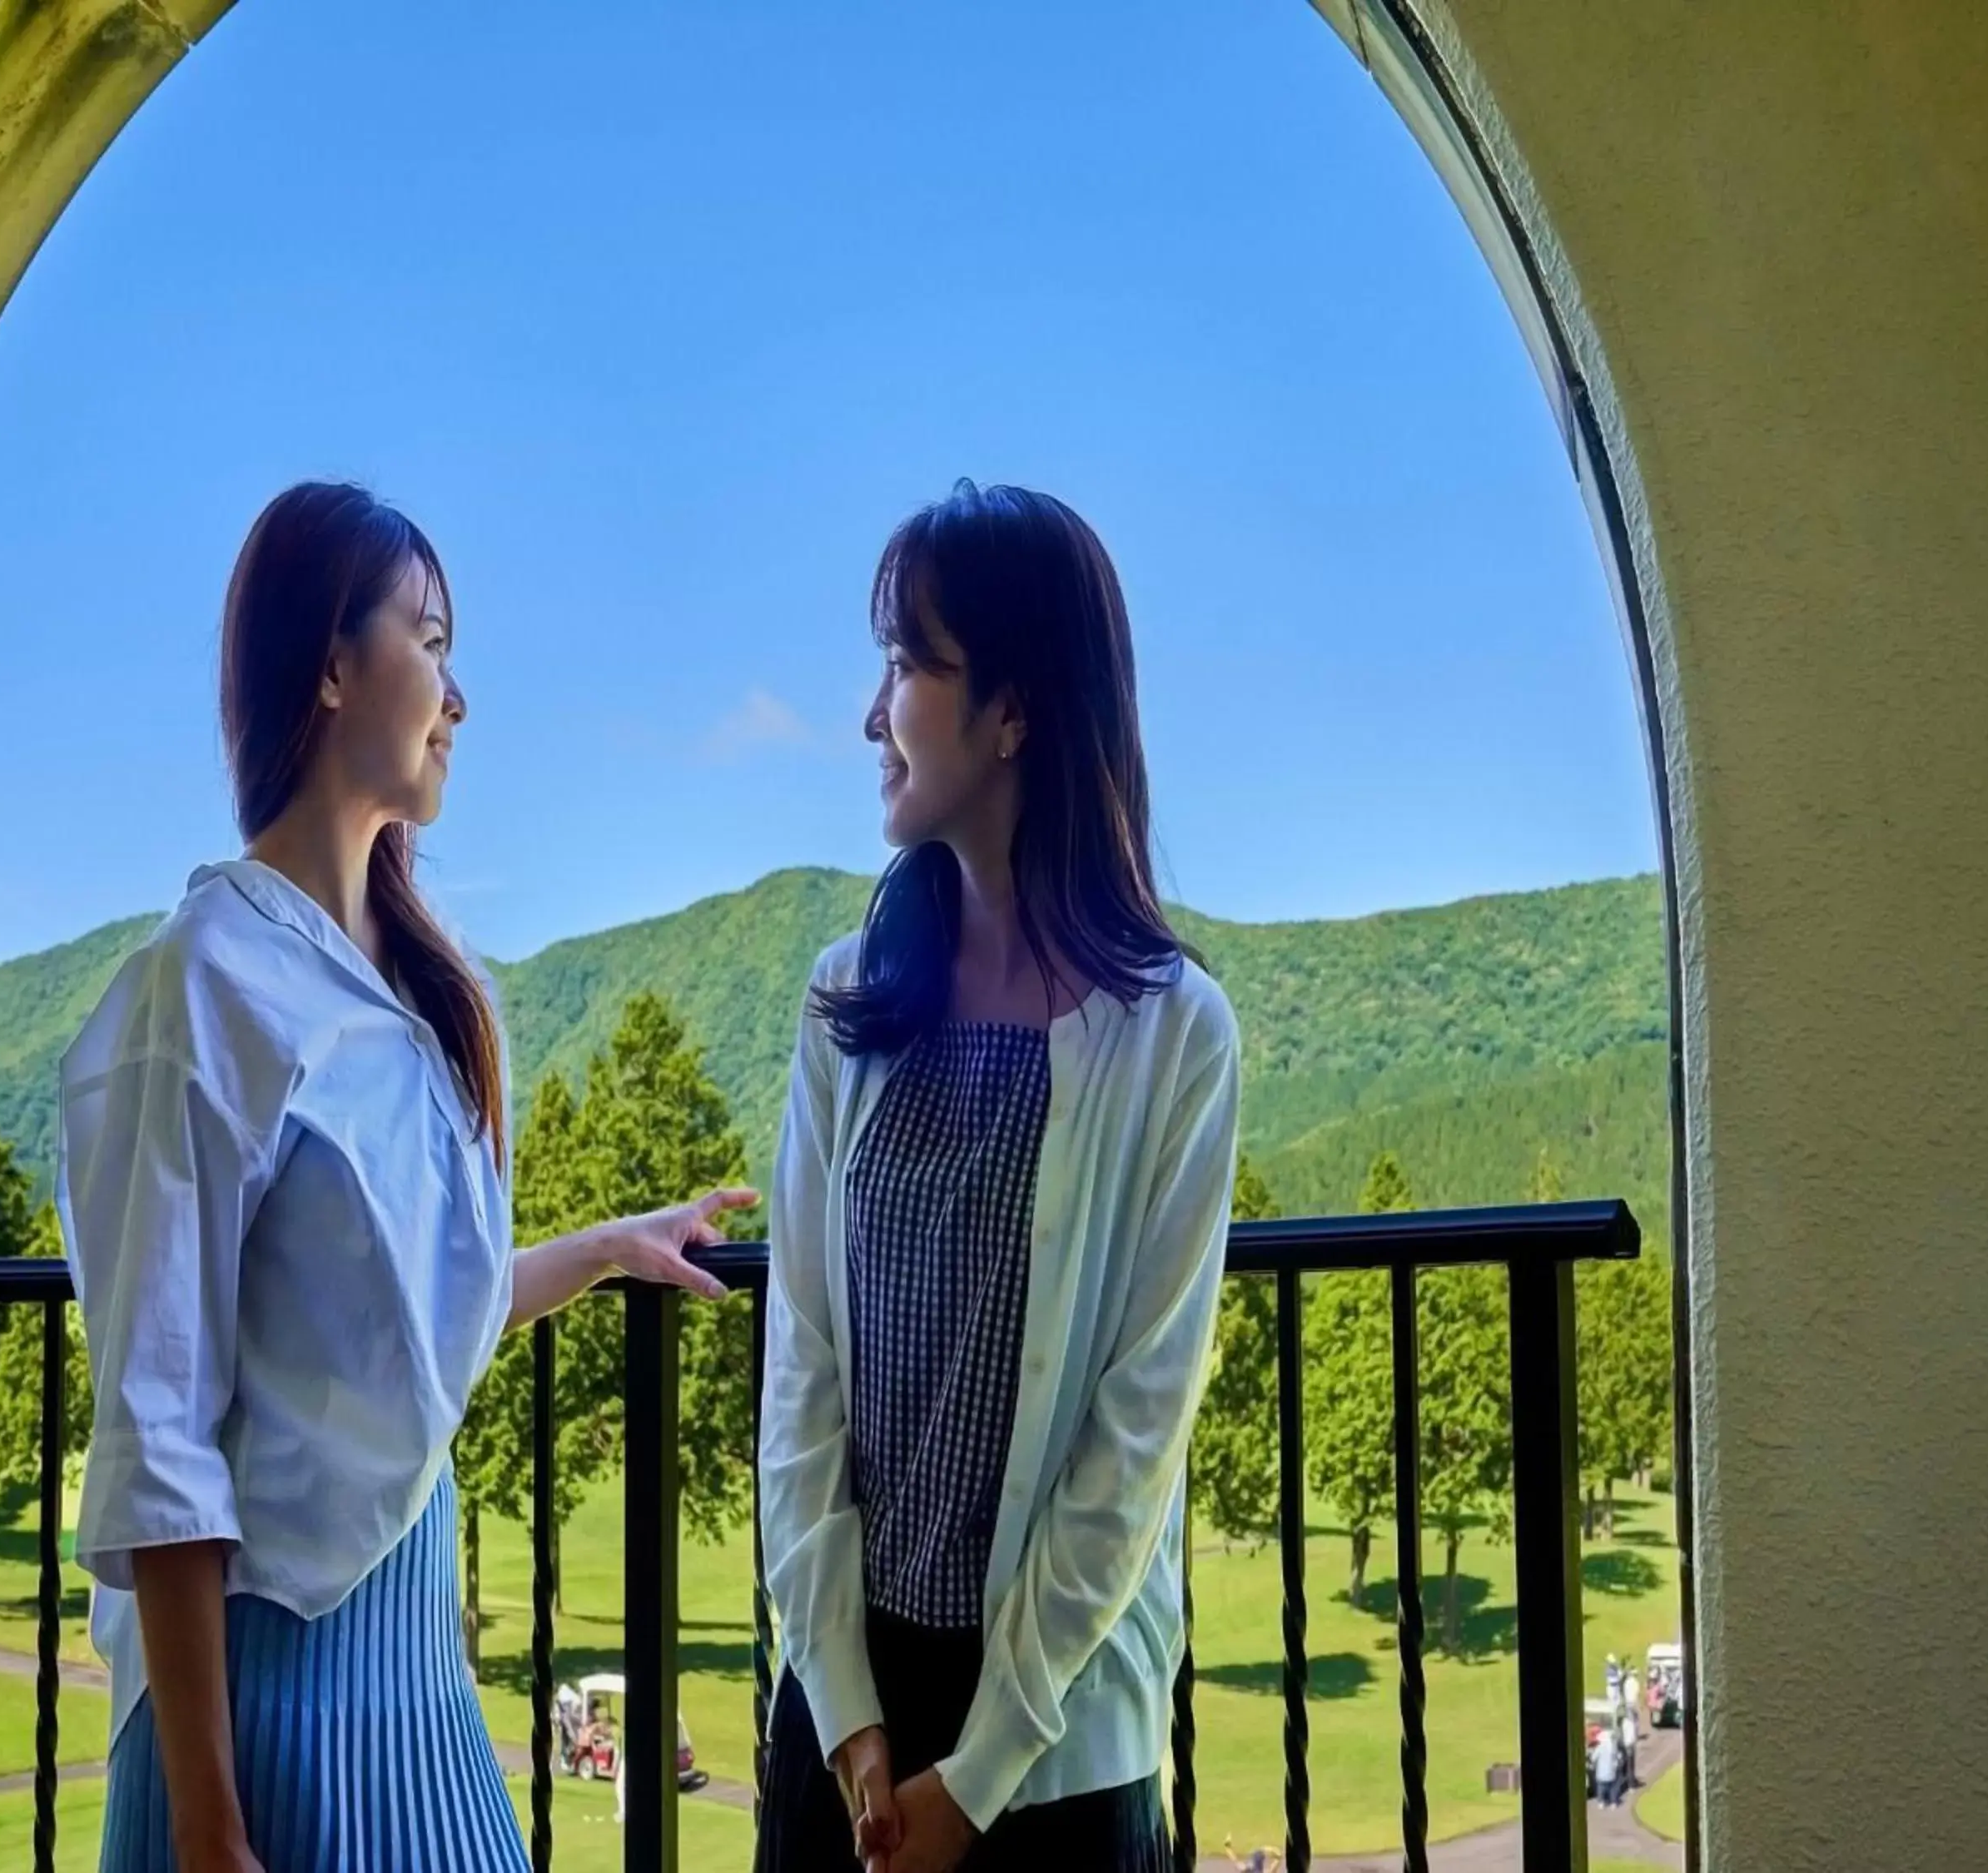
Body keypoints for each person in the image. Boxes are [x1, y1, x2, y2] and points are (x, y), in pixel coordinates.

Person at [65, 482, 748, 1873]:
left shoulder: (418, 991)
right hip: (264, 1716)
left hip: (419, 1691)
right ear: (329, 664)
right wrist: (210, 1827)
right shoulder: (199, 991)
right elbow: (160, 1435)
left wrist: (609, 1248)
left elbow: (390, 1329)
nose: (458, 695)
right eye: (430, 640)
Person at [755, 483, 1241, 1873]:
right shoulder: (843, 1004)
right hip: (842, 1721)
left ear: (1016, 710)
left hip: (1057, 1753)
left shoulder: (1174, 1036)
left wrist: (979, 1775)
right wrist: (849, 1719)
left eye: (910, 664)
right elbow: (801, 1370)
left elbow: (1134, 1436)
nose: (873, 713)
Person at [1592, 1728, 1626, 1810]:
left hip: (1601, 1773)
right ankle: (1613, 1802)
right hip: (1612, 1772)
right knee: (1613, 1788)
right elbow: (1619, 1757)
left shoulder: (1600, 1748)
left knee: (1601, 1788)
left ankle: (1601, 1802)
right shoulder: (1613, 1747)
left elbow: (1593, 1758)